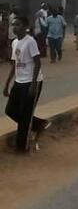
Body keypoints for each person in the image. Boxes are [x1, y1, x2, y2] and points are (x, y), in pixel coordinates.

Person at [3, 16, 50, 152]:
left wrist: (34, 84)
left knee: (25, 114)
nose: (14, 27)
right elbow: (14, 64)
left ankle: (21, 147)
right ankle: (39, 124)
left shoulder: (30, 42)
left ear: (25, 26)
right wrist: (7, 84)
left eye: (17, 24)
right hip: (19, 81)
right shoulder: (15, 43)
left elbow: (37, 63)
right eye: (13, 25)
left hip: (31, 81)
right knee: (10, 110)